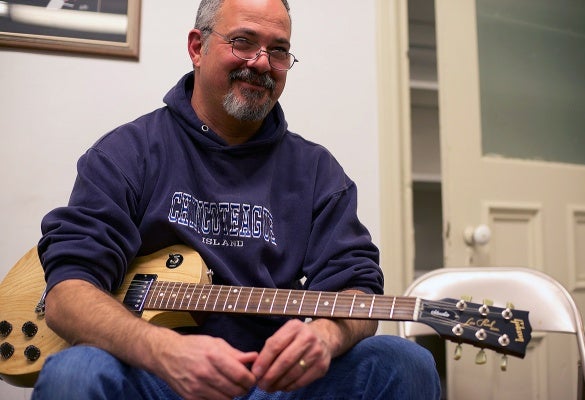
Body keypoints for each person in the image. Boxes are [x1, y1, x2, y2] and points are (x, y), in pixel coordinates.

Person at [31, 0, 441, 399]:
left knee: (405, 363)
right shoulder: (128, 153)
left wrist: (327, 335)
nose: (262, 63)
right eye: (243, 41)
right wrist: (162, 351)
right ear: (197, 47)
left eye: (278, 50)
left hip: (276, 386)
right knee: (73, 373)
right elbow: (68, 295)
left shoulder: (317, 171)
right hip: (152, 374)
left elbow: (356, 284)